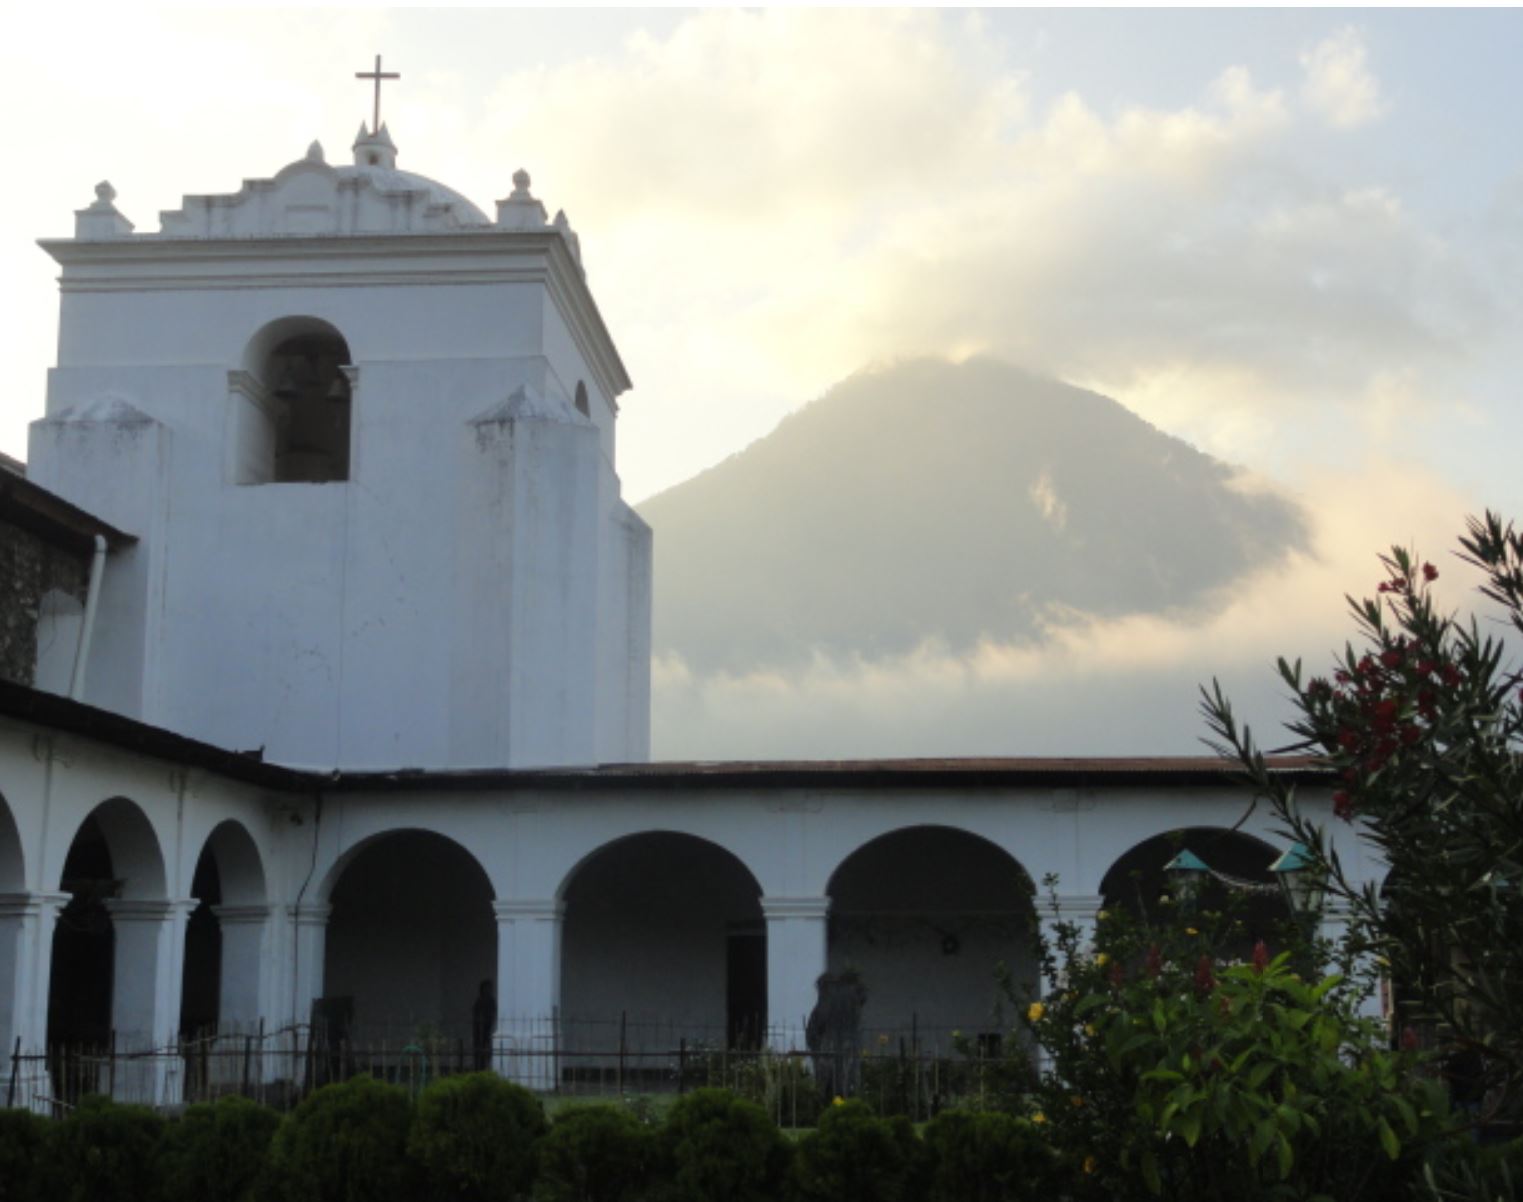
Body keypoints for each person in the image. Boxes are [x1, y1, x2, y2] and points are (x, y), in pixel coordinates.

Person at [472, 979, 496, 1071]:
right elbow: (476, 1013)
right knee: (478, 1048)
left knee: (486, 1048)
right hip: (478, 1028)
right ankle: (478, 1067)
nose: (488, 990)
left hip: (487, 1027)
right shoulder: (479, 1001)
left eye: (489, 988)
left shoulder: (491, 1000)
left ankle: (484, 1066)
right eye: (486, 988)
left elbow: (492, 1013)